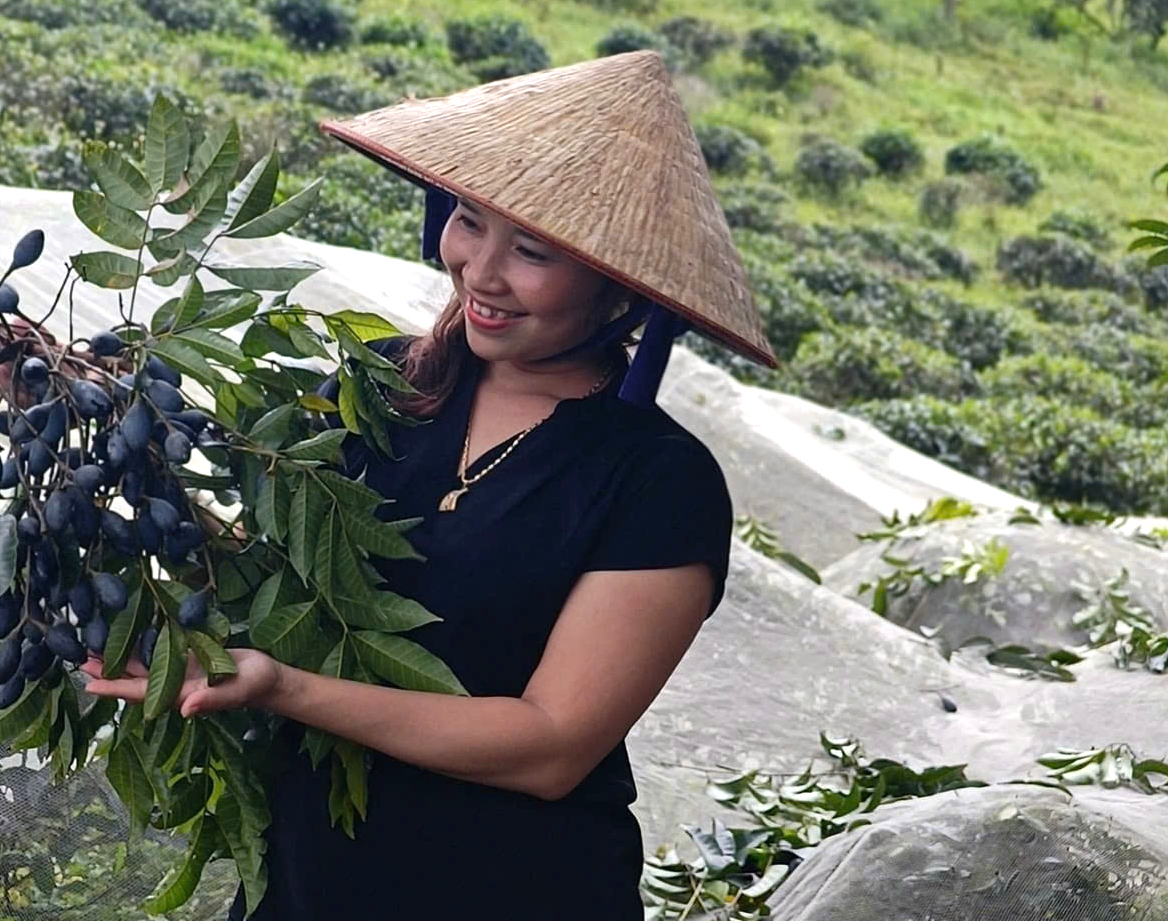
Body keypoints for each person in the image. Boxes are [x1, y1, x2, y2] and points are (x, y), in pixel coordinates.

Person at [81, 50, 777, 920]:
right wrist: (95, 431)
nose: (481, 271)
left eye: (530, 251)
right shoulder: (380, 385)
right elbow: (268, 574)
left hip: (513, 889)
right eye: (468, 220)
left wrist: (286, 686)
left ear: (618, 288)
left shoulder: (658, 484)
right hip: (311, 881)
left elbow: (549, 745)